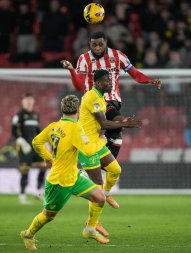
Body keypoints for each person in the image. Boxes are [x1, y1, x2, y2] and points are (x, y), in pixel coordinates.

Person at [20, 95, 108, 250]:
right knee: (48, 215)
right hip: (59, 181)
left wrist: (48, 158)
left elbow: (36, 142)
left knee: (100, 197)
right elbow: (88, 151)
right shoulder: (75, 128)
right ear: (79, 110)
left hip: (73, 176)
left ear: (62, 110)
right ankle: (28, 234)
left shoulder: (54, 126)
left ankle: (90, 229)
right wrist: (102, 140)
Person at [61, 30, 161, 159]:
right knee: (119, 123)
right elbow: (79, 86)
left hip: (113, 100)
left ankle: (102, 164)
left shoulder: (118, 56)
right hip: (94, 101)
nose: (97, 48)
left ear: (106, 43)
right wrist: (71, 71)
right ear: (89, 44)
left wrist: (150, 80)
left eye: (100, 44)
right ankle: (103, 165)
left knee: (116, 133)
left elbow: (135, 73)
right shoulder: (83, 59)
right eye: (94, 45)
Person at [77, 69, 143, 239]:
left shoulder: (100, 97)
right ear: (98, 82)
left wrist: (124, 121)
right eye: (107, 81)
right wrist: (126, 125)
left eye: (111, 80)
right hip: (86, 145)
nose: (110, 83)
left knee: (115, 170)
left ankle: (105, 196)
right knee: (97, 187)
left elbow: (110, 117)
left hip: (96, 143)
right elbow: (104, 122)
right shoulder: (92, 97)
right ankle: (90, 227)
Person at [12, 93, 48, 204]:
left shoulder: (35, 115)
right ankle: (22, 195)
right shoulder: (18, 115)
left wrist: (44, 142)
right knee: (25, 170)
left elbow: (38, 131)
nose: (29, 102)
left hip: (35, 146)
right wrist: (22, 142)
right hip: (24, 147)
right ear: (23, 102)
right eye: (26, 100)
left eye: (30, 100)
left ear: (33, 102)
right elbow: (14, 131)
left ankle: (38, 191)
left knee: (43, 166)